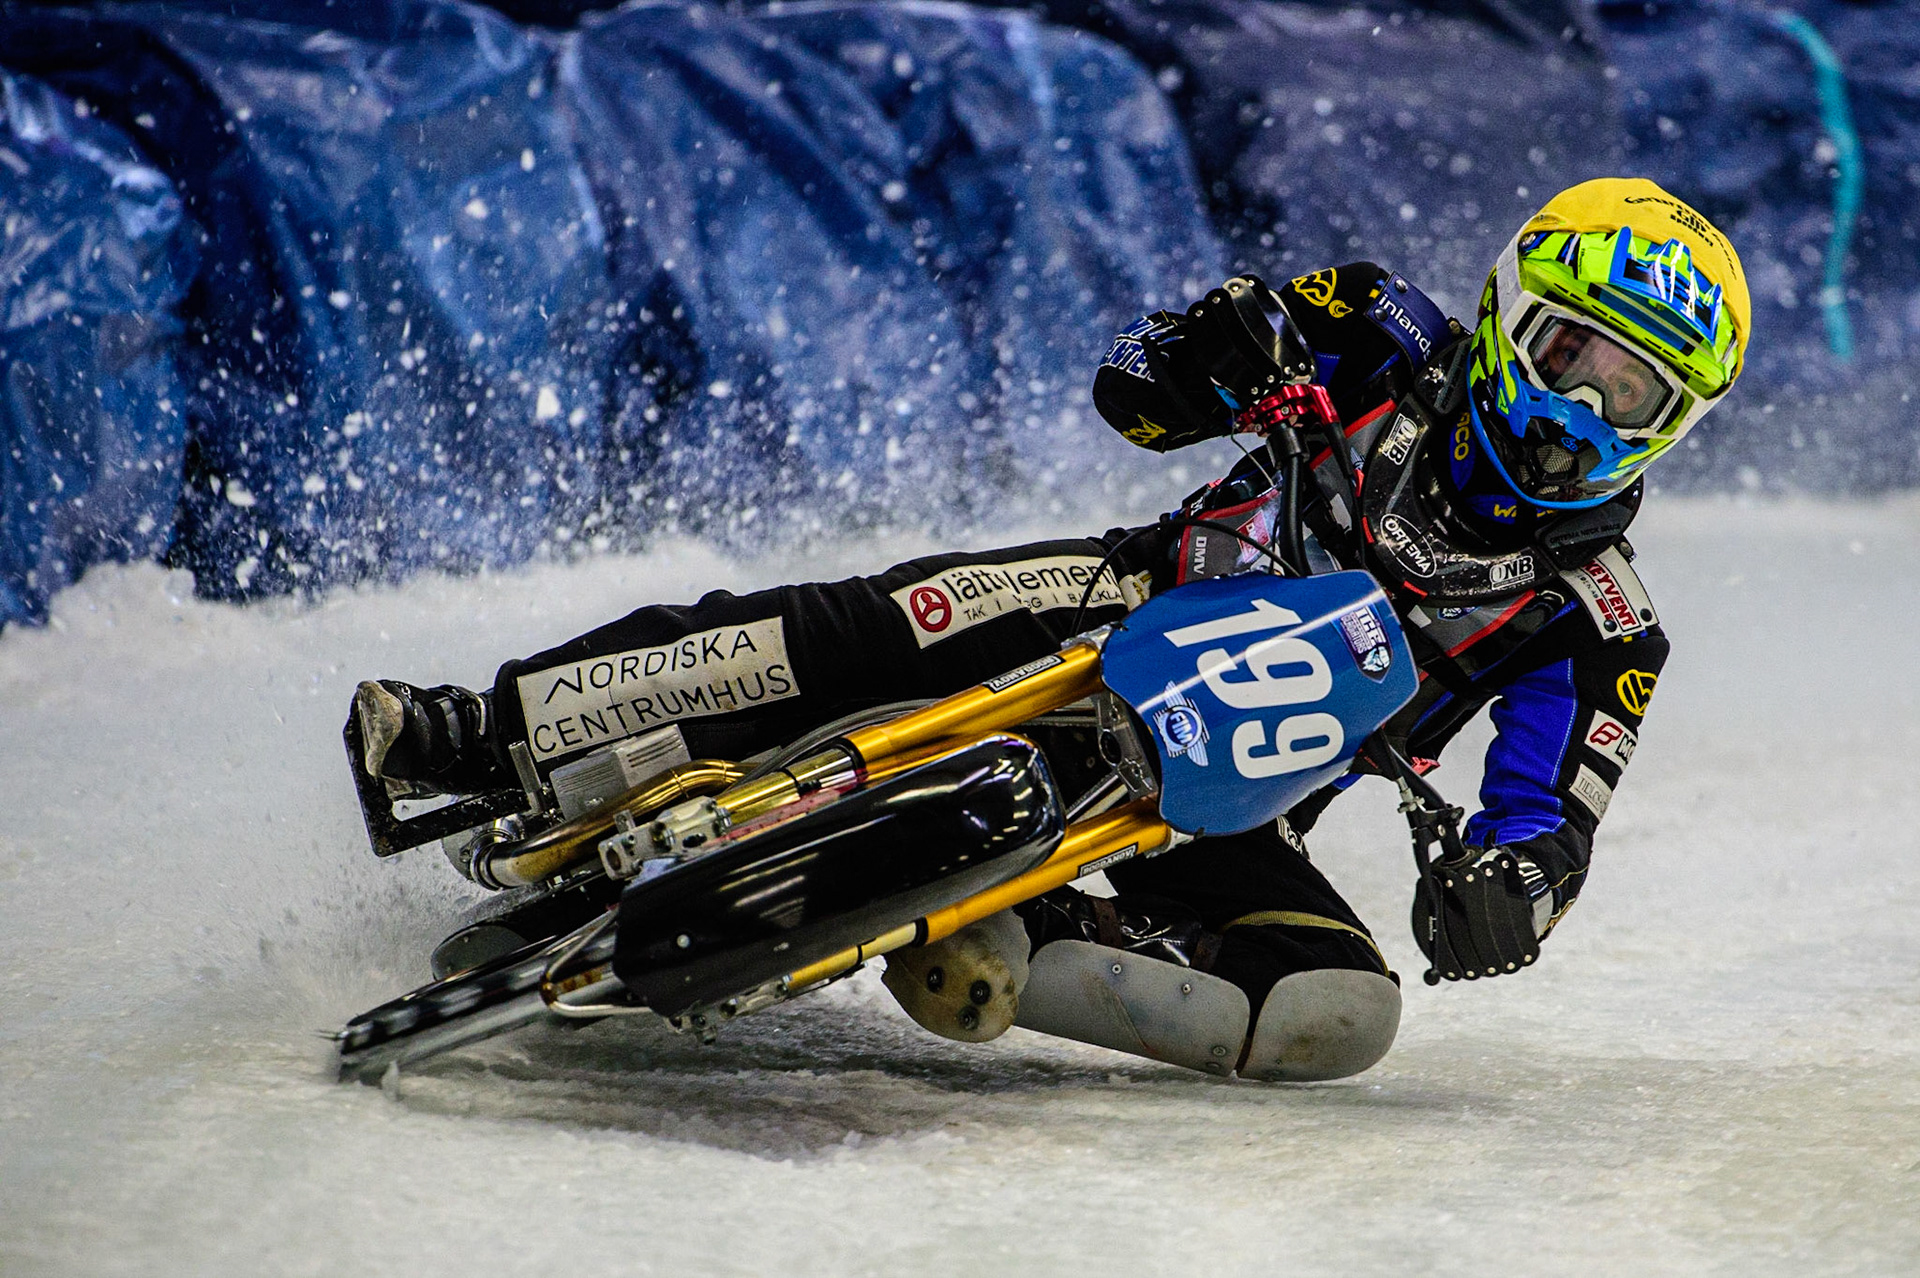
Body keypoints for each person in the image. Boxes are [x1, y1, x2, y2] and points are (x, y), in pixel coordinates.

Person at [350, 177, 1748, 1081]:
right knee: (868, 626)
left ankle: (1019, 919)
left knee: (1336, 1007)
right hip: (1126, 602)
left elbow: (1549, 820)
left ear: (1673, 429)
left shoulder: (1601, 624)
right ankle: (497, 728)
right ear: (1514, 313)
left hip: (1218, 796)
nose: (1579, 412)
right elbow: (1135, 392)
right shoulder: (1380, 327)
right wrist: (1217, 345)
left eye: (1633, 396)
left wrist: (1512, 893)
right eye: (1575, 355)